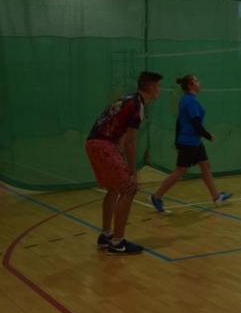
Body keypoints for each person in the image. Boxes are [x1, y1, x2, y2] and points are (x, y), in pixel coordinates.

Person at [85, 71, 163, 255]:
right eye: (159, 86)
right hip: (104, 145)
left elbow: (119, 134)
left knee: (114, 188)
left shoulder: (127, 99)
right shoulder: (137, 105)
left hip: (94, 143)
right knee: (129, 188)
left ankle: (106, 235)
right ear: (151, 87)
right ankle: (117, 243)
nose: (160, 90)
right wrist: (133, 172)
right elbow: (130, 142)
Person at [150, 75, 232, 212]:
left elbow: (180, 121)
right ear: (190, 85)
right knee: (180, 171)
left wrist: (178, 140)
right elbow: (196, 124)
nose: (199, 82)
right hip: (189, 142)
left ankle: (216, 197)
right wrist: (208, 135)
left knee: (205, 166)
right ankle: (157, 196)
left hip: (195, 141)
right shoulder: (190, 102)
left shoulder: (187, 99)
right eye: (196, 81)